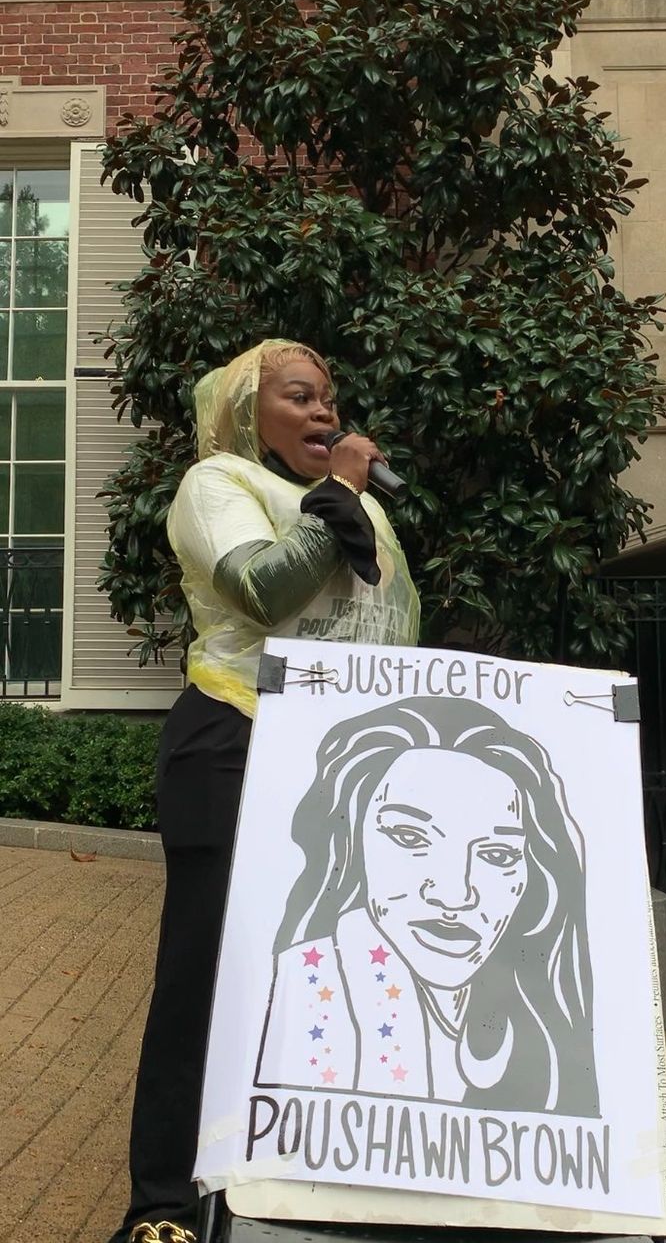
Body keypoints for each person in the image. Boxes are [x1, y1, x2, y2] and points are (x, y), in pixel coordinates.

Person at [109, 339, 420, 1243]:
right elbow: (259, 589)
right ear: (248, 413)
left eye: (328, 398)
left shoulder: (362, 507)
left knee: (336, 967)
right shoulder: (217, 483)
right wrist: (343, 494)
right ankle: (164, 1207)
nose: (325, 412)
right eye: (300, 397)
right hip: (235, 741)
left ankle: (306, 1183)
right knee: (208, 974)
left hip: (341, 767)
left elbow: (394, 629)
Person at [255, 696, 599, 1118]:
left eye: (497, 855)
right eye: (410, 838)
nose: (455, 895)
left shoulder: (546, 1017)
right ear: (352, 844)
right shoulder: (310, 987)